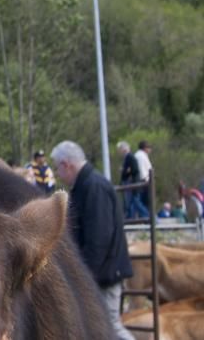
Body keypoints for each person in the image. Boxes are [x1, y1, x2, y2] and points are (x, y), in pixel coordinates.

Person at [51, 141, 134, 340]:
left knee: (110, 326)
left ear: (66, 165)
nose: (57, 173)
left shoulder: (93, 187)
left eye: (57, 167)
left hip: (103, 274)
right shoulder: (85, 186)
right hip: (100, 272)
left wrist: (84, 277)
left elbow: (99, 239)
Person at [117, 141, 147, 219]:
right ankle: (130, 218)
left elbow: (134, 169)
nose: (119, 151)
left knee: (135, 201)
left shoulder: (130, 157)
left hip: (132, 182)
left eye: (120, 149)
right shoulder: (128, 157)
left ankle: (149, 216)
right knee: (132, 202)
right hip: (132, 182)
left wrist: (124, 171)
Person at [134, 141, 153, 212]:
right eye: (149, 148)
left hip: (145, 180)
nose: (150, 150)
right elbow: (142, 169)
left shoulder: (142, 155)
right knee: (144, 200)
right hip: (144, 181)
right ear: (145, 148)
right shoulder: (140, 156)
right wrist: (146, 180)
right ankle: (147, 215)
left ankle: (147, 215)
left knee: (145, 201)